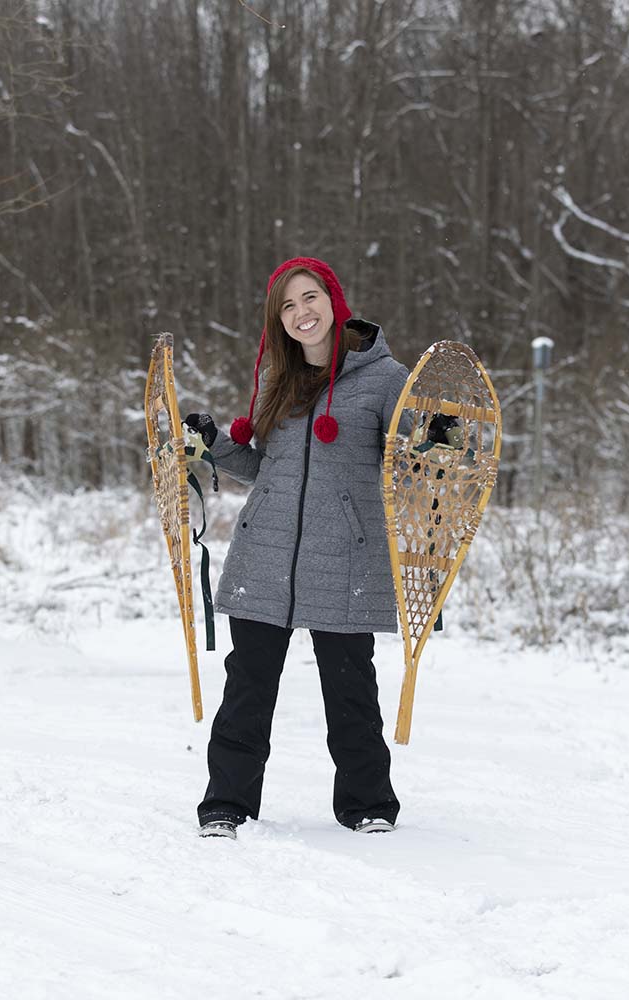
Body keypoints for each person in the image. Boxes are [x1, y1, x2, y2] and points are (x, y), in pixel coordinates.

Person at [185, 256, 411, 840]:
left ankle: (368, 806)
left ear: (335, 301)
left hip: (346, 561)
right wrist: (213, 445)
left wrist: (439, 439)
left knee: (350, 691)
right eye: (287, 305)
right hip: (265, 555)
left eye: (309, 298)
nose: (300, 312)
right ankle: (226, 805)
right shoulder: (275, 378)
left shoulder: (387, 381)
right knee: (247, 689)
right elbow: (270, 470)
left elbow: (411, 464)